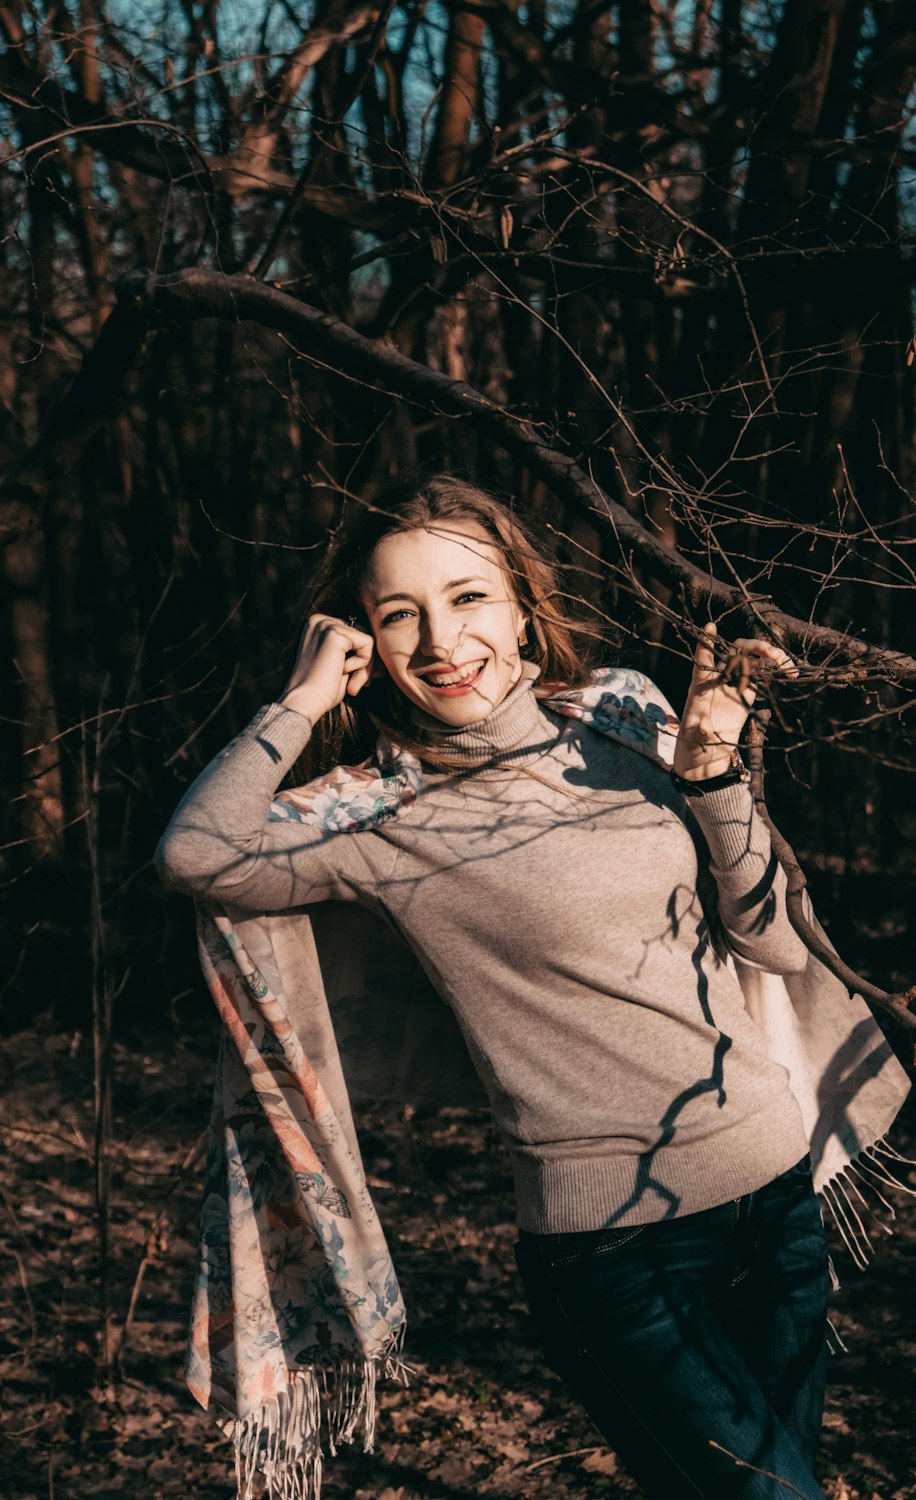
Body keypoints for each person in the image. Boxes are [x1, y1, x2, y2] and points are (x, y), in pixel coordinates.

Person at [156, 474, 829, 1500]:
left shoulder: (625, 721)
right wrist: (297, 701)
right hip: (612, 1247)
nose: (439, 639)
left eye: (468, 597)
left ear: (522, 604)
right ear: (364, 645)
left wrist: (709, 771)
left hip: (773, 1198)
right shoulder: (380, 818)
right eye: (398, 615)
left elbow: (774, 938)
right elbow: (196, 857)